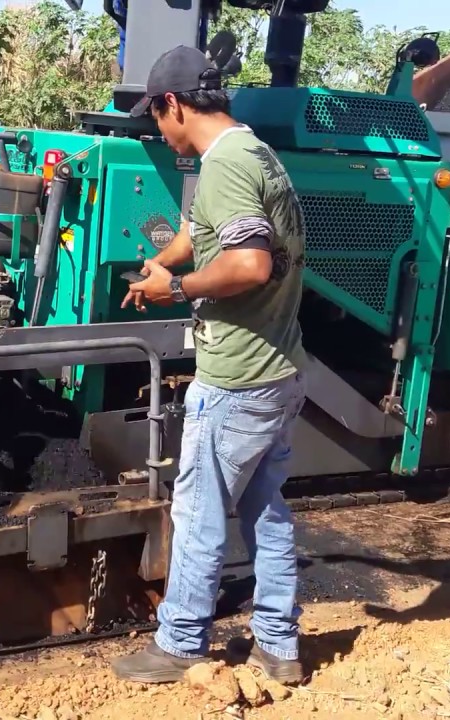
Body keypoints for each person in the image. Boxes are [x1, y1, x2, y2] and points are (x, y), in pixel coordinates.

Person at [110, 46, 309, 685]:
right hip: (280, 367)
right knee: (265, 510)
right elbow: (203, 232)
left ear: (174, 104)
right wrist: (163, 264)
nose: (158, 132)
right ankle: (279, 647)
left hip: (238, 379)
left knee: (197, 511)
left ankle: (180, 643)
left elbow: (247, 263)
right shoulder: (249, 150)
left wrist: (181, 289)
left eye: (157, 119)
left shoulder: (225, 164)